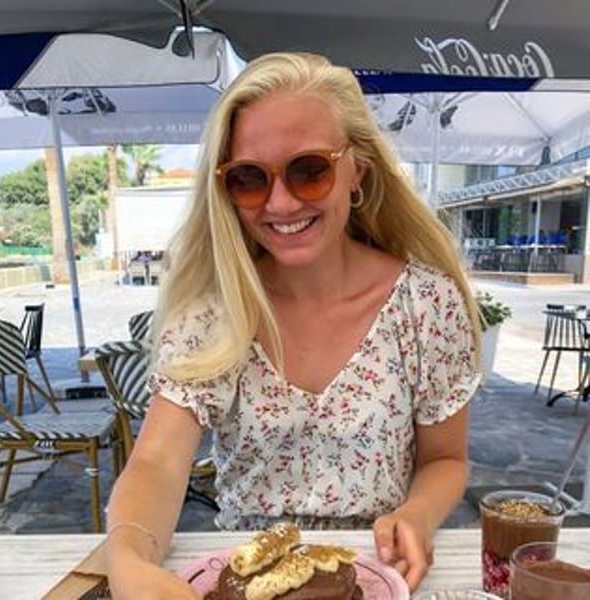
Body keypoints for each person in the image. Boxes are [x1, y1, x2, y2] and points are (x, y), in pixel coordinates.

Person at [105, 52, 482, 599]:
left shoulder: (427, 304)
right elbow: (158, 462)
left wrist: (418, 514)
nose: (280, 203)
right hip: (246, 583)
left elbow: (445, 459)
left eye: (309, 170)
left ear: (357, 170)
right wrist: (127, 559)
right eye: (249, 178)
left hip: (376, 578)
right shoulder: (214, 312)